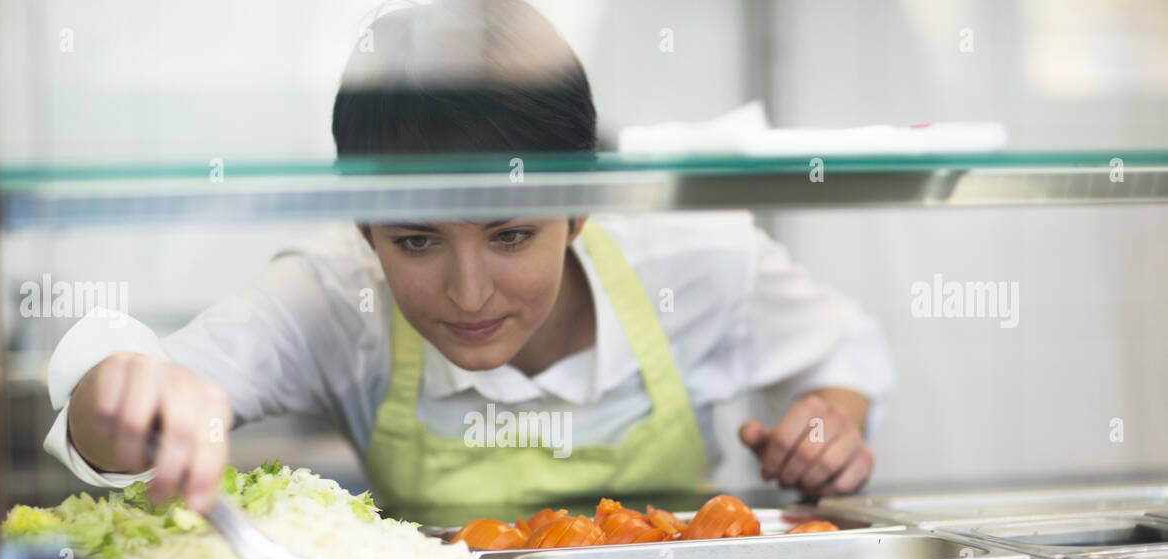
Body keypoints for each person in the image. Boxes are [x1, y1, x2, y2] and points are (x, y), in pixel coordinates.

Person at [45, 0, 895, 516]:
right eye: (416, 241)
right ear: (363, 229)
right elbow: (130, 402)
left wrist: (826, 421)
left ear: (579, 208)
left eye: (510, 235)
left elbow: (843, 352)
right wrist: (118, 402)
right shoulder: (333, 295)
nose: (468, 291)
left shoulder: (696, 255)